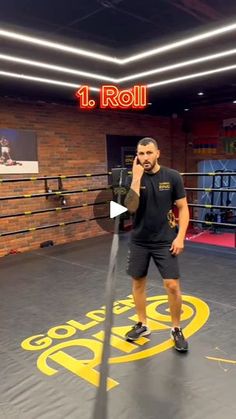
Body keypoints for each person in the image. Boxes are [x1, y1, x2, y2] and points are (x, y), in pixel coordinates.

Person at [124, 137, 189, 351]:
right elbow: (130, 209)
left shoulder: (172, 176)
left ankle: (176, 328)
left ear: (157, 153)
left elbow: (183, 207)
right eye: (141, 154)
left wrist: (180, 237)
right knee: (138, 283)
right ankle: (143, 324)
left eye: (149, 153)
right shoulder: (132, 177)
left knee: (172, 285)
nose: (145, 158)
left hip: (165, 240)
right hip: (140, 241)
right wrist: (136, 179)